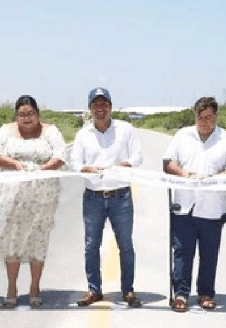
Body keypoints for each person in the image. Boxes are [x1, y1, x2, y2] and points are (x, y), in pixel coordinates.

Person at [0, 95, 66, 309]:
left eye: (30, 114)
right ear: (16, 116)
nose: (26, 118)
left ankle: (35, 287)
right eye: (22, 114)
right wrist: (18, 166)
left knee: (38, 241)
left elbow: (61, 156)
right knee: (13, 241)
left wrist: (40, 169)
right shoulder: (6, 130)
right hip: (12, 197)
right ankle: (12, 287)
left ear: (37, 114)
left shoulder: (50, 131)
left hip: (43, 198)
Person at [163, 97, 226, 312]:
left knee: (209, 253)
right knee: (182, 251)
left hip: (212, 207)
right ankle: (180, 293)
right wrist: (184, 173)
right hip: (184, 204)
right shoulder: (182, 136)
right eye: (200, 116)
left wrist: (213, 178)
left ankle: (206, 293)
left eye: (208, 117)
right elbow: (167, 162)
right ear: (194, 115)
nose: (204, 121)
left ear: (216, 116)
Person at [70, 87, 144, 308]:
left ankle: (128, 290)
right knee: (91, 246)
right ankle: (94, 290)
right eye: (95, 105)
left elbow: (138, 156)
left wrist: (127, 164)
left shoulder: (126, 129)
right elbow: (74, 162)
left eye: (104, 105)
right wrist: (85, 168)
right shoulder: (83, 134)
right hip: (93, 196)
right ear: (90, 108)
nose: (100, 109)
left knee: (126, 245)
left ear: (110, 107)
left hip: (120, 196)